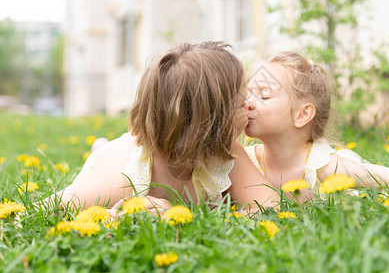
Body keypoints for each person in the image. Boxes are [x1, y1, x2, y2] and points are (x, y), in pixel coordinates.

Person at [43, 42, 279, 214]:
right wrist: (112, 217)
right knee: (103, 155)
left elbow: (270, 207)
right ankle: (99, 149)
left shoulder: (225, 150)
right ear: (209, 127)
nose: (250, 106)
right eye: (240, 103)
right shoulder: (121, 177)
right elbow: (31, 214)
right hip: (112, 159)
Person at [244, 51, 389, 202]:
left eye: (264, 95)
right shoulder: (244, 161)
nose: (247, 103)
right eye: (247, 94)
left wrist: (377, 210)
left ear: (302, 115)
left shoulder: (328, 168)